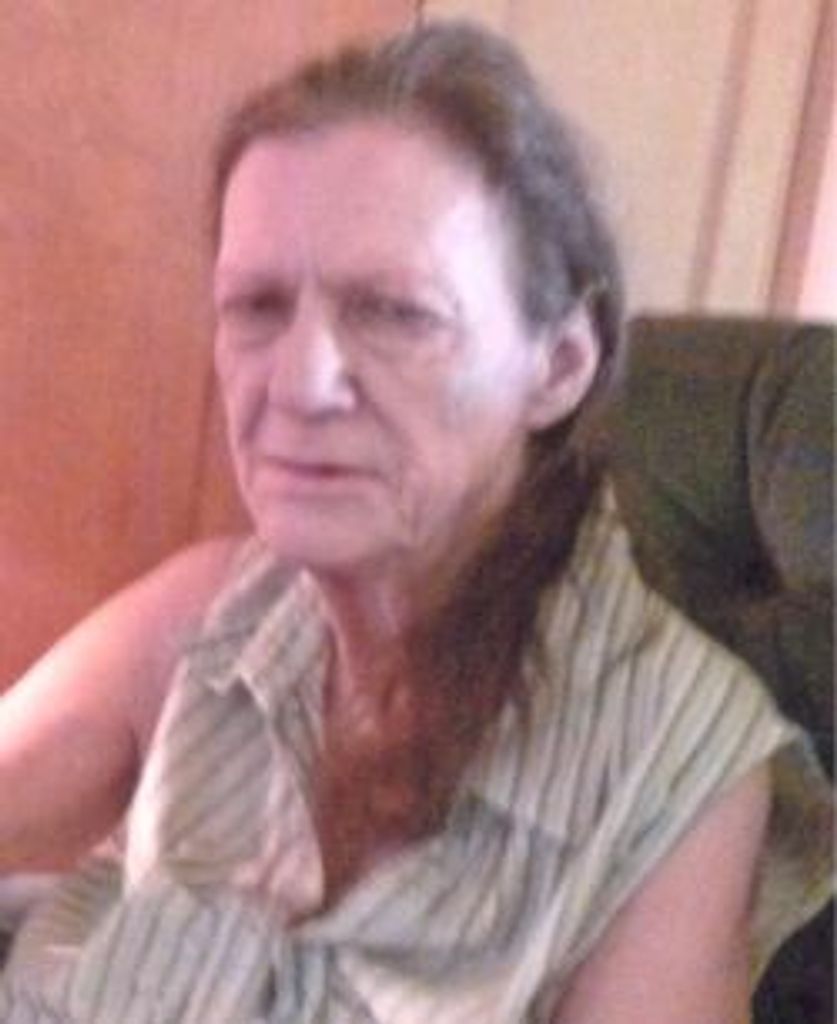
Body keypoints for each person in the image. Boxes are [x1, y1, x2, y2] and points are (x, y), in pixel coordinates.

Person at [0, 19, 831, 1023]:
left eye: (395, 312)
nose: (298, 383)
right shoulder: (204, 617)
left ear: (559, 364)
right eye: (257, 305)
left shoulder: (676, 775)